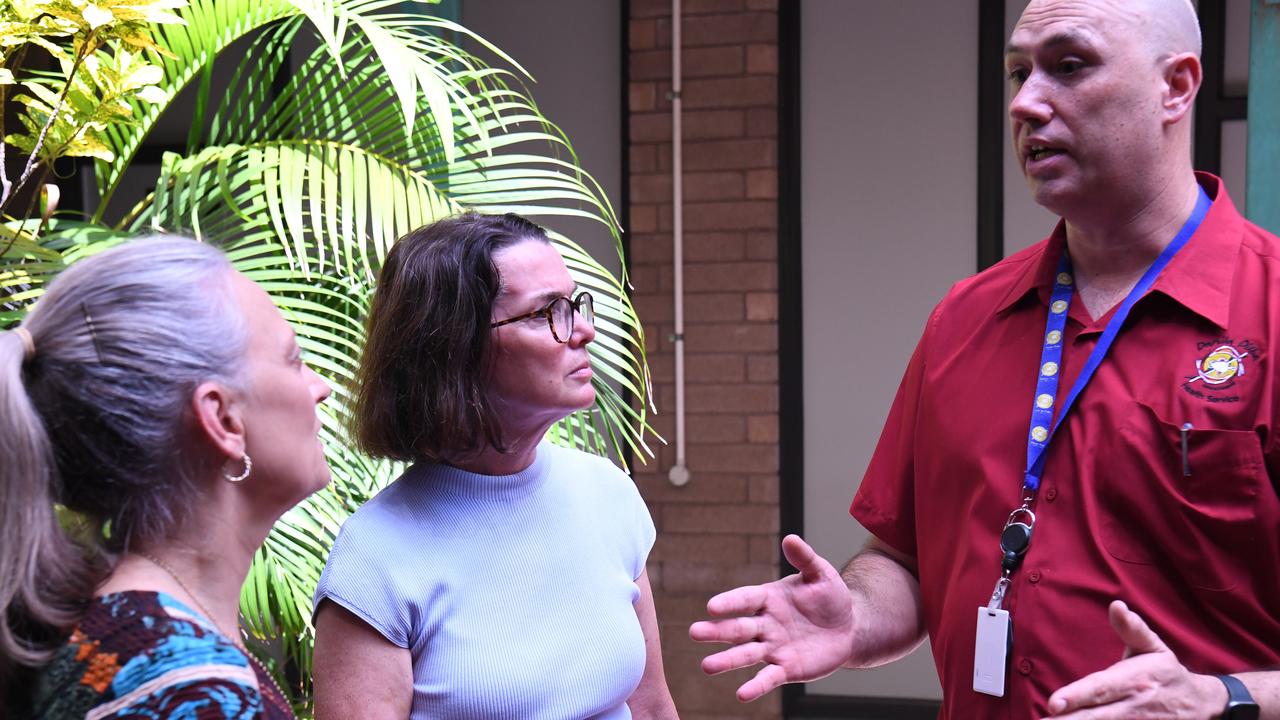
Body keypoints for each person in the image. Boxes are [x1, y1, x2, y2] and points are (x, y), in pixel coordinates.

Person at [691, 0, 1280, 717]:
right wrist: (854, 616)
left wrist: (1223, 698)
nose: (1027, 102)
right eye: (1017, 72)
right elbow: (902, 561)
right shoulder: (966, 318)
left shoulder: (1269, 312)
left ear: (1177, 87)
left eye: (1069, 66)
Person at [310, 212, 677, 719]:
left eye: (574, 304)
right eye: (546, 312)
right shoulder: (374, 558)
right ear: (454, 348)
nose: (585, 330)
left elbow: (652, 706)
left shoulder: (608, 493)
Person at [0, 237, 332, 718]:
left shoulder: (114, 629)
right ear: (222, 420)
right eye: (293, 359)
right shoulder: (191, 691)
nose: (319, 388)